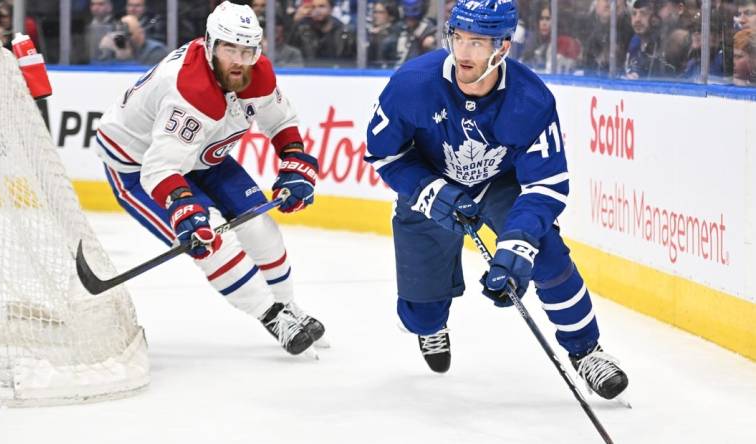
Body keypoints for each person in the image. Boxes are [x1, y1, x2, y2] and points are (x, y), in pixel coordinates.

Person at [364, 0, 629, 401]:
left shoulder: (531, 99)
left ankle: (587, 350)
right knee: (421, 313)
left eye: (477, 42)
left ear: (503, 47)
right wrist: (426, 189)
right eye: (458, 38)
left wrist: (517, 244)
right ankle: (432, 325)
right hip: (430, 182)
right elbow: (385, 153)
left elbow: (545, 184)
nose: (464, 52)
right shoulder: (412, 84)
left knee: (547, 255)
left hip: (499, 185)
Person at [92, 1, 325, 356]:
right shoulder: (190, 91)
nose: (238, 59)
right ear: (210, 44)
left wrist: (295, 159)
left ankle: (289, 307)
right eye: (229, 48)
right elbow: (160, 168)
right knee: (213, 241)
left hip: (203, 154)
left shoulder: (256, 72)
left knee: (259, 225)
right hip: (137, 166)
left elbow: (280, 120)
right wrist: (184, 207)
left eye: (247, 49)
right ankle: (272, 316)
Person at [96, 14, 168, 65]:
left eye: (128, 34)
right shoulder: (117, 46)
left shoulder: (156, 51)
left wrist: (127, 58)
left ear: (140, 32)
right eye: (121, 34)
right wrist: (105, 49)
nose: (125, 38)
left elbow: (143, 78)